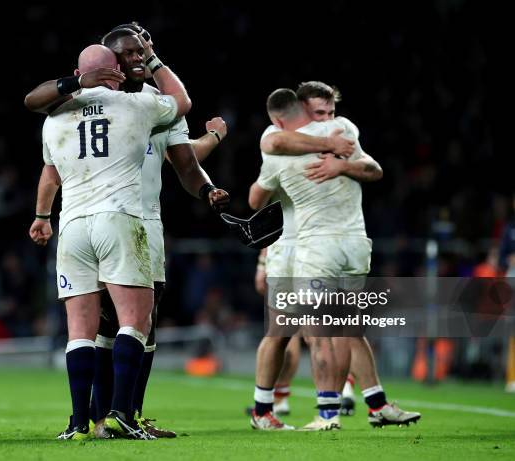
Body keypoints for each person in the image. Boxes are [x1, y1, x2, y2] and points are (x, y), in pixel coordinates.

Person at [25, 27, 229, 438]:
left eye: (141, 52)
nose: (136, 59)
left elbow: (35, 108)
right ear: (115, 69)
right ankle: (117, 415)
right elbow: (182, 106)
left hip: (75, 224)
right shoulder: (143, 104)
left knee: (83, 329)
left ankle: (84, 421)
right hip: (124, 218)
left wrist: (43, 215)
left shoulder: (56, 115)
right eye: (128, 55)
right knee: (134, 322)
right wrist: (215, 133)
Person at [250, 83, 420, 430]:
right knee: (284, 330)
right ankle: (268, 407)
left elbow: (373, 168)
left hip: (324, 243)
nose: (328, 121)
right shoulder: (286, 139)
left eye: (330, 113)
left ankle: (368, 404)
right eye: (319, 114)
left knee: (341, 330)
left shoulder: (342, 132)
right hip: (292, 246)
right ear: (298, 112)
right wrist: (264, 259)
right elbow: (270, 151)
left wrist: (342, 166)